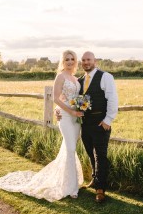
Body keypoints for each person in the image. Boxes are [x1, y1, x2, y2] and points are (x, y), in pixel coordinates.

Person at [0, 50, 84, 202]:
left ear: (76, 61)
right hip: (65, 117)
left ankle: (66, 180)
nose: (70, 62)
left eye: (72, 59)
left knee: (69, 149)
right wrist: (68, 111)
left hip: (76, 119)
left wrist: (80, 109)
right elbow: (56, 98)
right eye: (67, 59)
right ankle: (71, 187)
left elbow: (75, 98)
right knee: (70, 149)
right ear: (63, 61)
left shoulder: (75, 79)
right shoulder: (60, 76)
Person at [56, 51, 118, 203]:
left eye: (88, 59)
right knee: (90, 153)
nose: (86, 62)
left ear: (94, 61)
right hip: (84, 124)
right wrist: (59, 111)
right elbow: (69, 98)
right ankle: (94, 180)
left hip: (100, 123)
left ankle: (100, 189)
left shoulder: (105, 77)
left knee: (100, 156)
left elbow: (113, 99)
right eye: (83, 60)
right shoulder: (80, 80)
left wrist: (108, 120)